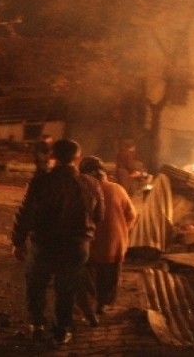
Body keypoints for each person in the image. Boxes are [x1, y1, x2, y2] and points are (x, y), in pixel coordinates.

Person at [11, 139, 104, 346]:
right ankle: (62, 330)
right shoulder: (92, 183)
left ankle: (37, 325)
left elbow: (26, 213)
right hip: (77, 247)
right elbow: (99, 216)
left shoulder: (40, 182)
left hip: (44, 245)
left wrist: (18, 241)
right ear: (78, 158)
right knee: (66, 289)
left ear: (52, 156)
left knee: (36, 285)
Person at [78, 156, 137, 318]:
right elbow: (132, 215)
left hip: (90, 244)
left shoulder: (82, 190)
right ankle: (103, 304)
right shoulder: (117, 189)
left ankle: (90, 306)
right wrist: (122, 231)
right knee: (110, 276)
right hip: (115, 244)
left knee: (89, 275)